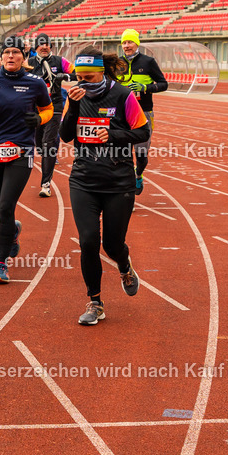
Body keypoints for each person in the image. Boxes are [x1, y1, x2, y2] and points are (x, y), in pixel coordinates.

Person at [60, 48, 149, 325]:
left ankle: (124, 265)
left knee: (112, 244)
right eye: (79, 77)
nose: (82, 82)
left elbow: (143, 132)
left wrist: (113, 135)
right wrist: (73, 106)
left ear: (102, 72)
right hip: (83, 179)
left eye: (88, 77)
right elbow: (64, 136)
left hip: (118, 181)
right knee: (88, 241)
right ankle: (95, 301)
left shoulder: (123, 96)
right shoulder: (75, 96)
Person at [0, 36, 52, 284]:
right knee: (0, 209)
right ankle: (12, 229)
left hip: (21, 150)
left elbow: (48, 109)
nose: (11, 56)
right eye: (7, 53)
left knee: (5, 206)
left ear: (23, 57)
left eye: (16, 52)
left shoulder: (35, 83)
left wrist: (40, 120)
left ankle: (1, 263)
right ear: (0, 57)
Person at [117, 29, 168, 194]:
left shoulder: (148, 62)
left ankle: (138, 174)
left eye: (130, 42)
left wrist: (145, 88)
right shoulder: (117, 63)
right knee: (121, 154)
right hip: (121, 114)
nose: (127, 46)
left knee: (141, 156)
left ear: (136, 44)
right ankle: (126, 189)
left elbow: (163, 84)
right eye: (124, 42)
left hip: (143, 113)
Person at [28, 34, 73, 198]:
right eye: (41, 44)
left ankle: (45, 184)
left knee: (48, 144)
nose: (44, 47)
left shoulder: (60, 61)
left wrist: (65, 76)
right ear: (36, 47)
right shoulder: (29, 63)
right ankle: (49, 150)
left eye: (47, 44)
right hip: (35, 109)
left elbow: (77, 73)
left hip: (55, 106)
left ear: (51, 46)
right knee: (39, 143)